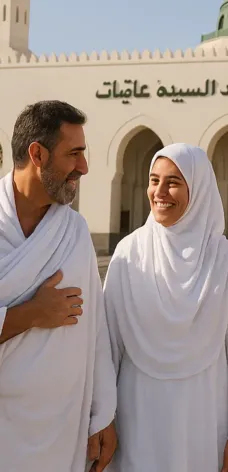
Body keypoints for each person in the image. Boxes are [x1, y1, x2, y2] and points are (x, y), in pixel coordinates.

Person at [102, 143, 228, 472]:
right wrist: (102, 418)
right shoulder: (129, 253)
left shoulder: (224, 257)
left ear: (198, 188)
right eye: (154, 180)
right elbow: (107, 348)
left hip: (204, 414)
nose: (160, 192)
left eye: (173, 182)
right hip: (138, 414)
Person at [0, 100, 117, 471]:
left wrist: (103, 414)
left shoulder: (74, 230)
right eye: (74, 154)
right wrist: (30, 314)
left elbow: (94, 329)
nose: (83, 167)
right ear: (37, 153)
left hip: (62, 428)